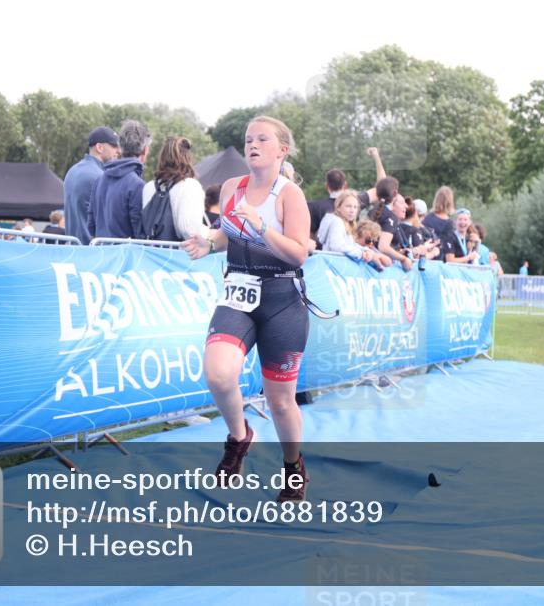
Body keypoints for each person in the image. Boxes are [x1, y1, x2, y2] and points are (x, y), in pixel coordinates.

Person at [182, 116, 312, 502]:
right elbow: (229, 234)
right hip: (237, 293)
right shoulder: (230, 188)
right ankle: (240, 438)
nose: (252, 144)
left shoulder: (289, 195)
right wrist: (211, 242)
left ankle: (292, 466)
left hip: (282, 300)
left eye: (262, 139)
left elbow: (299, 254)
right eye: (248, 139)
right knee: (219, 375)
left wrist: (262, 229)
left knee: (280, 402)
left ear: (281, 150)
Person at [87, 120, 150, 240]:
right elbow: (139, 234)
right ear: (145, 150)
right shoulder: (138, 185)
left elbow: (91, 227)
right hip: (125, 256)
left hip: (101, 254)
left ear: (120, 148)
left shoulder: (99, 181)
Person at [307, 147, 387, 236]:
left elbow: (309, 234)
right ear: (345, 185)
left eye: (353, 207)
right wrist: (376, 156)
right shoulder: (357, 201)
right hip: (350, 247)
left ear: (326, 186)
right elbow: (383, 186)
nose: (352, 209)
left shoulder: (314, 207)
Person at [142, 136, 209, 240]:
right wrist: (210, 233)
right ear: (188, 158)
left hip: (150, 252)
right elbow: (189, 229)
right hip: (177, 253)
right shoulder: (190, 185)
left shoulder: (148, 187)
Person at [64, 126, 120, 245]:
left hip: (73, 250)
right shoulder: (100, 176)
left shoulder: (71, 171)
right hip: (92, 254)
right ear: (99, 147)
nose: (118, 151)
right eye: (114, 146)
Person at [316, 191, 376, 264]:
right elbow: (336, 245)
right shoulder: (337, 222)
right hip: (331, 264)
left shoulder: (344, 222)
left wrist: (364, 250)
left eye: (355, 207)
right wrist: (360, 253)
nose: (352, 210)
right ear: (338, 207)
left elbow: (349, 245)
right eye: (348, 206)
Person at [367, 177, 412, 271]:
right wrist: (403, 259)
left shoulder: (372, 211)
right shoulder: (390, 216)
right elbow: (383, 247)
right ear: (395, 193)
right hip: (379, 265)